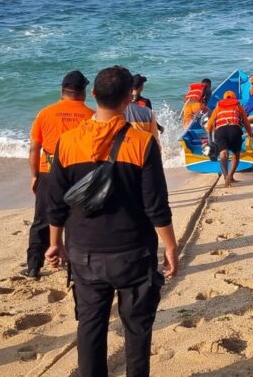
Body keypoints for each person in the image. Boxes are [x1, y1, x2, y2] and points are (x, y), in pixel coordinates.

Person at [46, 66, 177, 377]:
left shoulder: (66, 142)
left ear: (93, 96)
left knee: (90, 325)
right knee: (137, 328)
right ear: (128, 99)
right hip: (133, 254)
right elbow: (156, 206)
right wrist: (171, 246)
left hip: (84, 253)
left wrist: (54, 244)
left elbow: (55, 203)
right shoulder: (143, 143)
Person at [23, 71, 94, 280]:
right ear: (83, 93)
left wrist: (34, 175)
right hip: (79, 173)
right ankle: (75, 267)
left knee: (42, 220)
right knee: (76, 219)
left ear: (62, 91)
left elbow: (34, 149)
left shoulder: (45, 113)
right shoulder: (91, 115)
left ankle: (34, 266)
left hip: (49, 171)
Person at [205, 91, 249, 187]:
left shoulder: (218, 107)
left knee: (223, 155)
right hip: (235, 129)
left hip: (221, 131)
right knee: (236, 155)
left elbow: (210, 124)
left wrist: (210, 137)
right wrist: (250, 134)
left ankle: (225, 177)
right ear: (234, 98)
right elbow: (246, 122)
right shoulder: (238, 106)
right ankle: (231, 176)